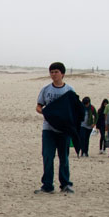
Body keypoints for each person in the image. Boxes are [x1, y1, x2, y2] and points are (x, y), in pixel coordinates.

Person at [35, 62, 79, 194]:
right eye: (51, 72)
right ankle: (47, 185)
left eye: (56, 72)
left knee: (64, 157)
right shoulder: (46, 89)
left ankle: (65, 184)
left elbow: (75, 109)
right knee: (47, 156)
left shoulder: (69, 90)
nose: (53, 74)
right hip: (48, 129)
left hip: (64, 130)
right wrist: (48, 114)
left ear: (62, 74)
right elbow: (38, 107)